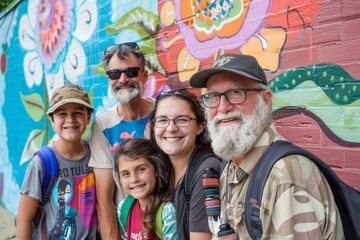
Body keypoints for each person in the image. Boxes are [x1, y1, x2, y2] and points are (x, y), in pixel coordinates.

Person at [189, 53, 344, 239]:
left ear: (266, 99)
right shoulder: (229, 165)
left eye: (236, 93)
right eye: (213, 96)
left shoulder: (285, 175)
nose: (222, 108)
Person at [89, 42, 154, 239]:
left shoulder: (165, 114)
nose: (123, 79)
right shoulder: (102, 125)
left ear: (144, 75)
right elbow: (104, 199)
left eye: (131, 71)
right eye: (114, 74)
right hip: (130, 229)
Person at [17, 84, 98, 239]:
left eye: (78, 113)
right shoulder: (42, 163)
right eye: (62, 114)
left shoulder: (95, 154)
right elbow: (24, 219)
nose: (70, 120)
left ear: (88, 117)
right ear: (52, 120)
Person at [150, 89, 221, 240]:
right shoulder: (159, 170)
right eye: (162, 120)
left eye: (182, 120)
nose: (171, 128)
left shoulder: (206, 171)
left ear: (200, 126)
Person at [114, 138, 178, 240]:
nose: (134, 179)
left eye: (141, 169)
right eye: (126, 174)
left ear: (156, 170)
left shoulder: (167, 212)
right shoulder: (124, 207)